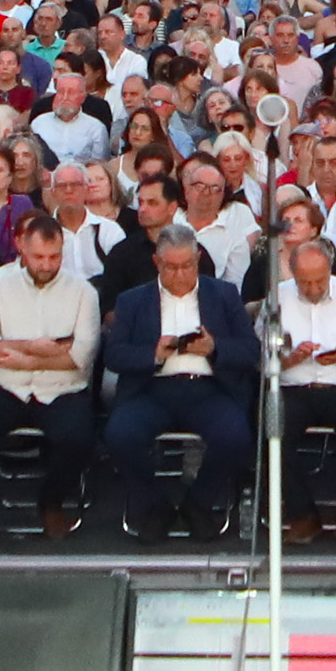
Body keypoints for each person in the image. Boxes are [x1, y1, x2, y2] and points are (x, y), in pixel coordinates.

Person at [97, 222, 259, 542]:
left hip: (209, 389)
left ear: (198, 259)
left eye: (187, 265)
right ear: (157, 263)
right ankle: (155, 505)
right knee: (119, 435)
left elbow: (250, 349)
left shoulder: (223, 295)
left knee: (236, 435)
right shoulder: (133, 301)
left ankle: (198, 503)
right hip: (152, 389)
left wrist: (214, 348)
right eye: (171, 267)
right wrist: (153, 354)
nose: (180, 274)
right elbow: (113, 355)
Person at [0, 209, 103, 547]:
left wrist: (15, 356)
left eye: (54, 257)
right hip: (5, 389)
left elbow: (80, 358)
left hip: (61, 390)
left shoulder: (83, 292)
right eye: (39, 257)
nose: (47, 264)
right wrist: (41, 348)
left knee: (79, 437)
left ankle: (51, 503)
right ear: (22, 247)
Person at [266, 225, 336, 545]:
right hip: (293, 387)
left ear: (330, 271)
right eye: (305, 282)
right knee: (273, 426)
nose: (314, 288)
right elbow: (263, 358)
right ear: (293, 273)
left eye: (319, 280)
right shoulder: (278, 297)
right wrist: (289, 358)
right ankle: (303, 514)